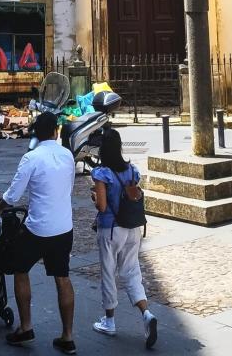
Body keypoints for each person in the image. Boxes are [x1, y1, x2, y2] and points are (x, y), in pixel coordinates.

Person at [0, 112, 76, 354]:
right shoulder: (67, 155)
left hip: (38, 227)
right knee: (63, 277)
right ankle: (68, 336)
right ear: (56, 131)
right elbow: (67, 187)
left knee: (20, 269)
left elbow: (12, 195)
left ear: (36, 134)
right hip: (63, 227)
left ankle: (26, 326)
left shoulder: (31, 158)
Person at [90, 129, 157, 349]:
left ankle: (109, 321)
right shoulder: (132, 170)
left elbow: (101, 206)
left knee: (108, 273)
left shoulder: (101, 173)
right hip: (132, 228)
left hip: (110, 229)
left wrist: (94, 196)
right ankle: (146, 313)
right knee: (132, 271)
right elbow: (134, 194)